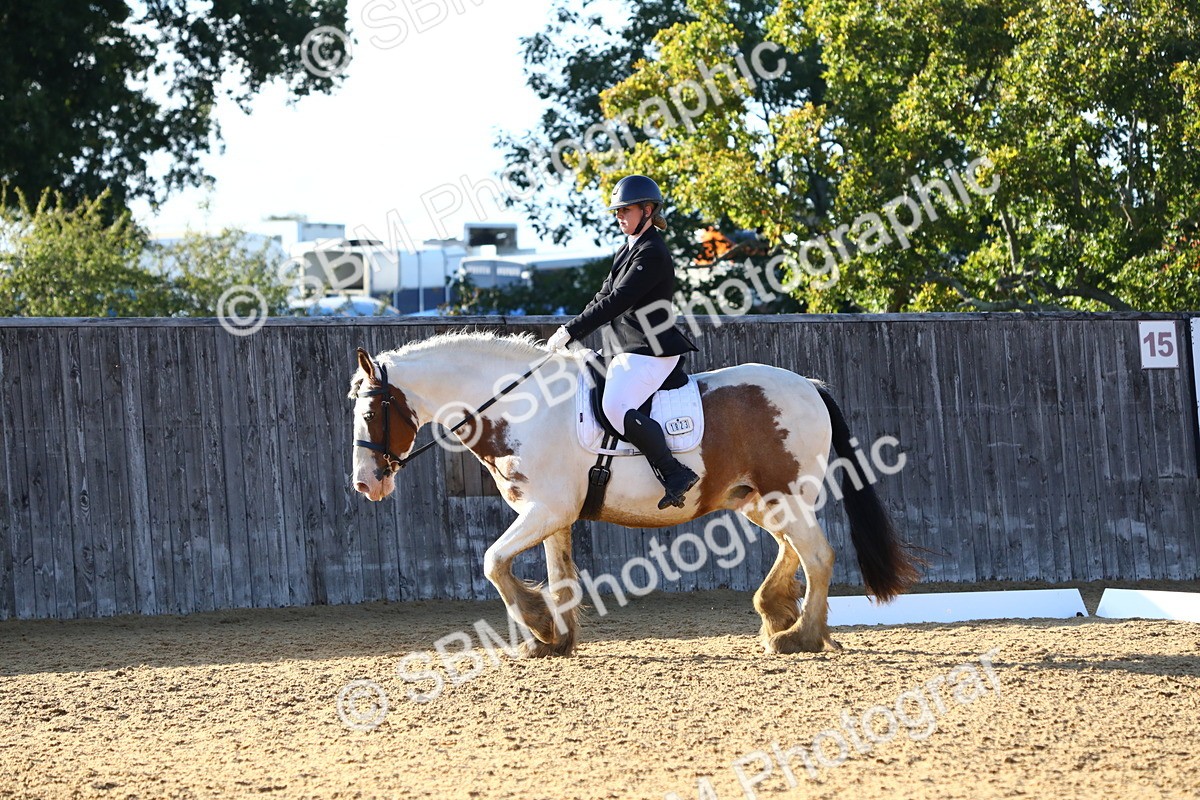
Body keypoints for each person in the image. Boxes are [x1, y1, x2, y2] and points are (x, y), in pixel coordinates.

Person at [546, 175, 700, 509]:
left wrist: (572, 332)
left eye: (626, 210)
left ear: (648, 210)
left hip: (651, 350)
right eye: (617, 211)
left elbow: (617, 300)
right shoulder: (625, 250)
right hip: (623, 348)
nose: (619, 216)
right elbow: (602, 296)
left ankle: (675, 472)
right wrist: (569, 329)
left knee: (614, 408)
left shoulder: (652, 253)